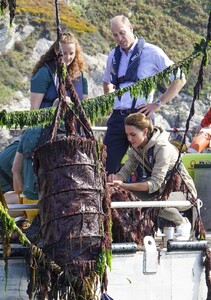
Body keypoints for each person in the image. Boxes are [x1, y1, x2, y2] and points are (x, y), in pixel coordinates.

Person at [102, 15, 186, 175]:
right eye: (115, 35)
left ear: (131, 28)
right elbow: (107, 82)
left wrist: (158, 104)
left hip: (141, 117)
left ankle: (146, 198)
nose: (119, 38)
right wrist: (109, 101)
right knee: (106, 166)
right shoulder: (113, 56)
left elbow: (179, 78)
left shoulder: (152, 52)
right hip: (118, 118)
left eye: (122, 32)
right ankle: (107, 198)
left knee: (145, 170)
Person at [107, 113, 197, 240]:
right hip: (160, 191)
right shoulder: (135, 147)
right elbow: (126, 170)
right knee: (121, 193)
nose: (129, 139)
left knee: (155, 203)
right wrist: (115, 178)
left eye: (133, 135)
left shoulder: (162, 148)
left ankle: (182, 222)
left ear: (145, 131)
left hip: (184, 193)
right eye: (127, 135)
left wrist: (124, 184)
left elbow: (154, 183)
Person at [30, 32, 88, 110]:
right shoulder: (43, 73)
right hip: (50, 120)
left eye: (71, 53)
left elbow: (85, 108)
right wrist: (55, 105)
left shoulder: (81, 76)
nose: (68, 57)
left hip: (73, 120)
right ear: (56, 51)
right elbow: (34, 110)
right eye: (64, 53)